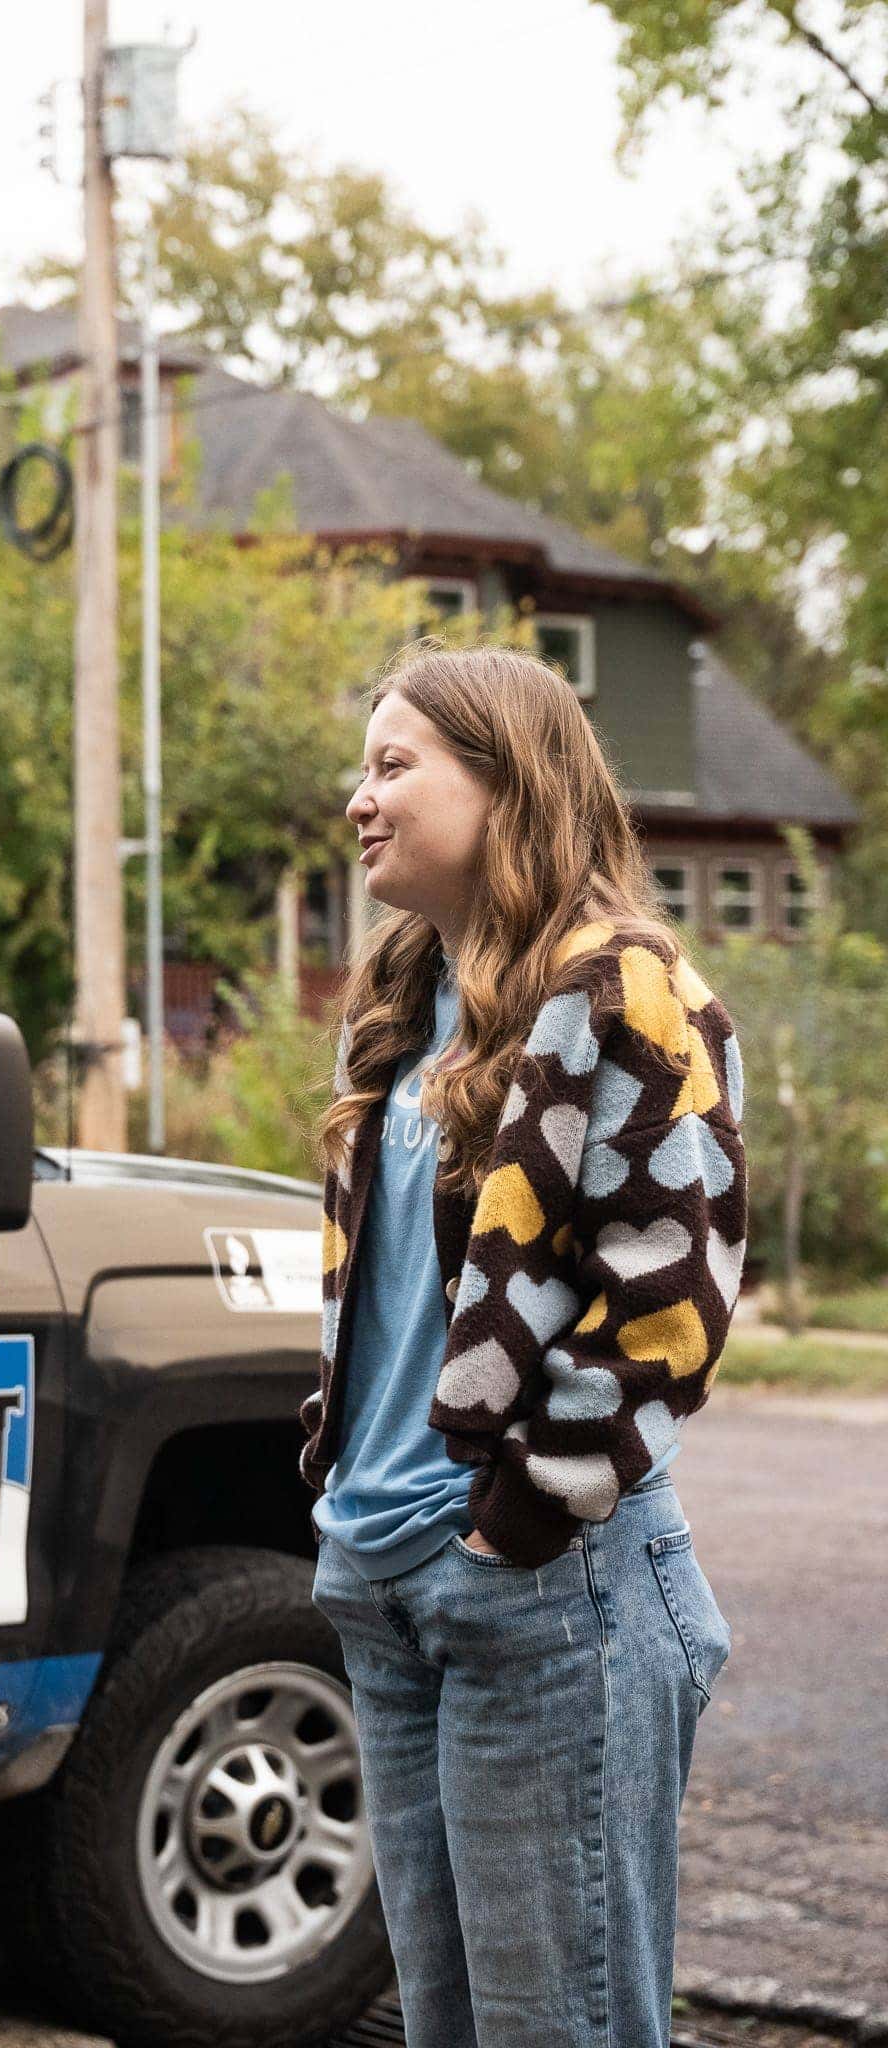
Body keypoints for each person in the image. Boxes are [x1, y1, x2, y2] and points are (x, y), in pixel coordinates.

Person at [302, 644, 745, 2048]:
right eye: (362, 768)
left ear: (508, 781)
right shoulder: (398, 1007)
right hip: (382, 1575)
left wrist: (524, 1517)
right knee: (445, 2026)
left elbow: (674, 1290)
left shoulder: (626, 990)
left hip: (543, 1586)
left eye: (395, 766)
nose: (359, 799)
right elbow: (384, 1300)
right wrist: (337, 1483)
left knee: (561, 2028)